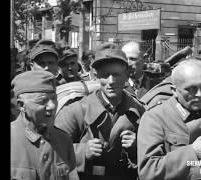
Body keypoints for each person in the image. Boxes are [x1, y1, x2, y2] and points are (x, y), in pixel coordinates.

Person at [54, 42, 145, 180]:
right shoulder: (76, 111)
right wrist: (82, 151)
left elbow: (156, 155)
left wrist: (137, 146)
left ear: (127, 75)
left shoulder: (139, 112)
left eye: (116, 74)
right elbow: (53, 150)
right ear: (96, 76)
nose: (111, 81)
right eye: (105, 75)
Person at [137, 59, 201, 180]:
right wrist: (192, 153)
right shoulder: (155, 117)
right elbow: (148, 171)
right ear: (174, 90)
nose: (200, 94)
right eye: (191, 89)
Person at [11, 70, 79, 180]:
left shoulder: (63, 140)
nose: (52, 106)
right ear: (21, 105)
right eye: (42, 101)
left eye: (54, 99)